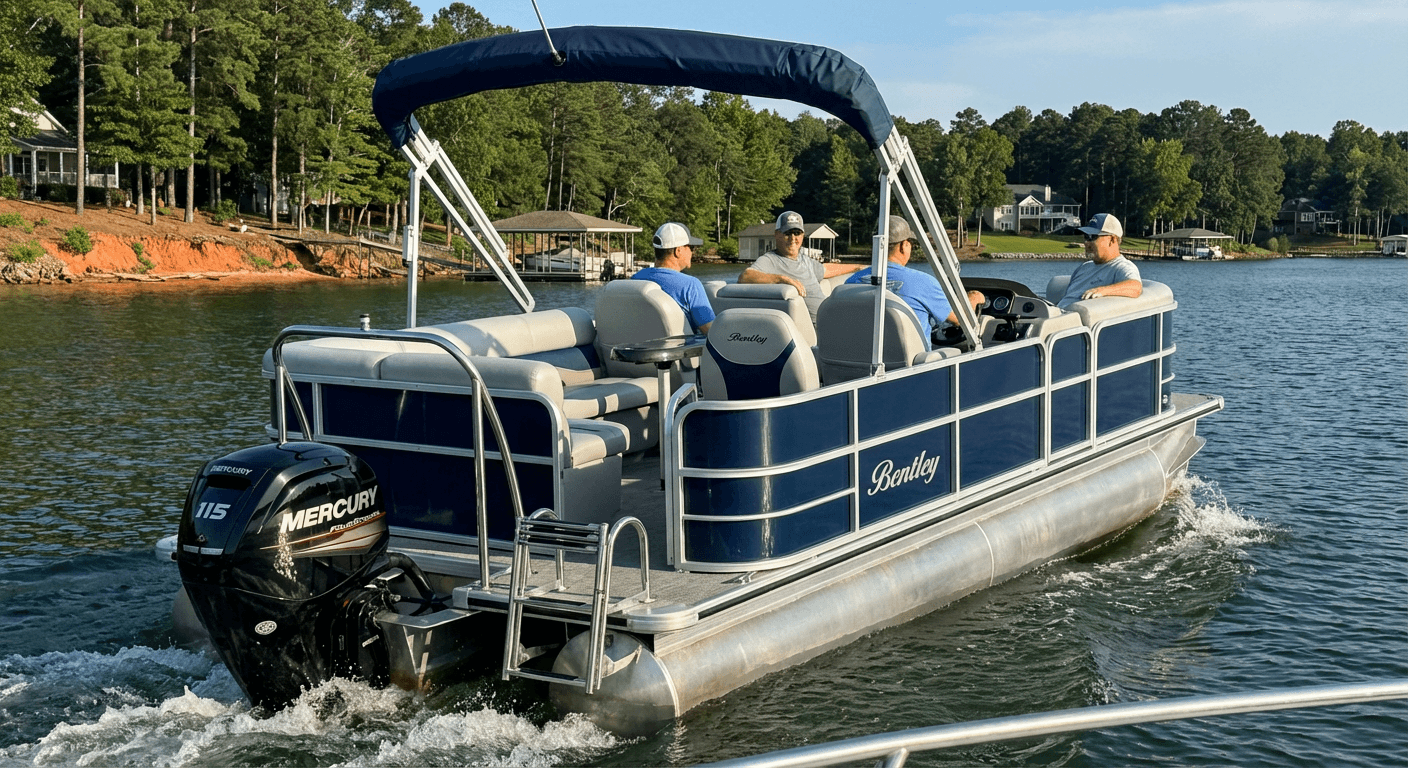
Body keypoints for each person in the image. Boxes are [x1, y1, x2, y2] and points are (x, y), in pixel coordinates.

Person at [846, 216, 985, 350]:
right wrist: (973, 298)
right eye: (910, 243)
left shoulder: (850, 283)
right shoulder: (923, 282)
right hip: (912, 368)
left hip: (862, 366)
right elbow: (959, 319)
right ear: (903, 246)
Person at [739, 211, 862, 322]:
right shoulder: (771, 259)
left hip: (832, 316)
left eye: (797, 233)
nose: (793, 238)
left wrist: (858, 268)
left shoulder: (805, 259)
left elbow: (826, 269)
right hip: (819, 327)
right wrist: (782, 279)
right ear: (777, 234)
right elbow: (745, 276)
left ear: (802, 236)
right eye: (787, 233)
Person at [632, 222, 714, 334]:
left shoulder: (636, 279)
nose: (692, 252)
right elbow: (713, 333)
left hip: (640, 349)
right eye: (691, 247)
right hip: (682, 350)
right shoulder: (690, 285)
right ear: (678, 251)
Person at [1057, 213, 1143, 310]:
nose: (1086, 242)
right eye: (1086, 236)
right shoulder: (1084, 267)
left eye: (1092, 237)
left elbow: (1135, 288)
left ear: (1112, 239)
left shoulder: (1122, 267)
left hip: (1073, 322)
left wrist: (1102, 291)